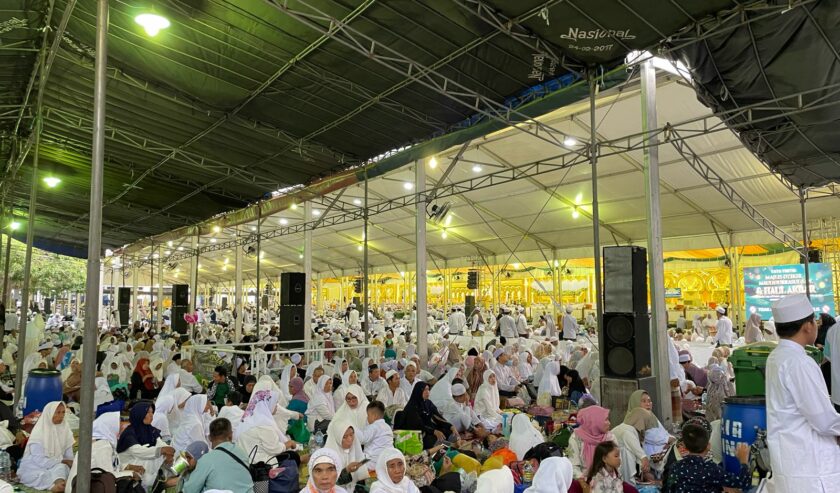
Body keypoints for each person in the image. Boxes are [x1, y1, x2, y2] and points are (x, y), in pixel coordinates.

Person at [766, 293, 840, 491]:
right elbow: (823, 420)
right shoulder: (799, 362)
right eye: (815, 321)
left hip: (792, 460)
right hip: (810, 466)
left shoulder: (777, 356)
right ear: (808, 326)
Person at [662, 423, 750, 493]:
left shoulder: (675, 467)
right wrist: (743, 461)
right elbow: (743, 483)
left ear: (684, 446)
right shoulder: (712, 469)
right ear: (708, 446)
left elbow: (669, 489)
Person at [66, 412, 139, 493]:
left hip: (90, 484)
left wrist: (127, 467)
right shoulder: (102, 446)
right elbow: (108, 475)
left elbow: (110, 465)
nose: (121, 427)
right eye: (118, 425)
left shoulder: (102, 442)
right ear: (110, 427)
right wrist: (131, 474)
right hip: (82, 488)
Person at [182, 418, 255, 493]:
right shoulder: (242, 452)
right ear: (231, 435)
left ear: (210, 437)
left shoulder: (206, 460)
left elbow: (189, 490)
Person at [17, 402, 74, 492]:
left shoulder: (65, 429)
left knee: (63, 468)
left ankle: (60, 482)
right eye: (58, 412)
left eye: (63, 412)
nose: (61, 415)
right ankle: (53, 486)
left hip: (57, 465)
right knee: (32, 475)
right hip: (36, 465)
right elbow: (39, 460)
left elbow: (69, 455)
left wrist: (71, 464)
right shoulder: (39, 433)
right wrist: (62, 461)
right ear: (49, 413)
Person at [117, 401, 175, 489]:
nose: (151, 415)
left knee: (163, 454)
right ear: (139, 414)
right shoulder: (129, 433)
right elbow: (138, 451)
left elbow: (160, 443)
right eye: (148, 412)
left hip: (144, 466)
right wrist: (161, 450)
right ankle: (158, 482)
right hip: (129, 465)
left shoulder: (150, 430)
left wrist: (168, 451)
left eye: (152, 412)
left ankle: (163, 480)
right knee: (155, 455)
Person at [236, 389, 297, 463]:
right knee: (293, 456)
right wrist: (289, 443)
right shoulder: (264, 425)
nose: (277, 407)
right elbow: (275, 449)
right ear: (266, 405)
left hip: (243, 460)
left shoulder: (247, 419)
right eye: (275, 403)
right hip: (259, 464)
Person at [394, 382, 458, 450]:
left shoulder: (428, 403)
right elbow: (418, 425)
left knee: (447, 431)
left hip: (427, 428)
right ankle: (450, 446)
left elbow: (437, 416)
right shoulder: (412, 406)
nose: (427, 392)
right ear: (419, 391)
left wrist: (450, 426)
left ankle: (452, 445)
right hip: (416, 433)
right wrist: (434, 431)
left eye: (428, 389)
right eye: (424, 390)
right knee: (432, 439)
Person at [567, 405, 613, 480]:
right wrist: (586, 482)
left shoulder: (610, 437)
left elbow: (617, 463)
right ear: (595, 421)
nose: (609, 423)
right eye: (606, 420)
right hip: (584, 483)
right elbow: (573, 466)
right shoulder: (576, 438)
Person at [611, 408, 656, 484]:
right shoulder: (626, 430)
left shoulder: (628, 428)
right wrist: (644, 459)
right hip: (620, 461)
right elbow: (636, 449)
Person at [325, 417, 369, 491]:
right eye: (344, 437)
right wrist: (347, 470)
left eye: (351, 435)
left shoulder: (354, 446)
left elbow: (360, 479)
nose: (350, 439)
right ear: (337, 438)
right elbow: (328, 483)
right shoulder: (328, 455)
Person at [360, 401, 394, 472]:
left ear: (374, 416)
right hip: (387, 460)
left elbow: (362, 439)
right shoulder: (388, 427)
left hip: (373, 463)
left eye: (368, 415)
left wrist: (354, 430)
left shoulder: (374, 426)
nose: (367, 418)